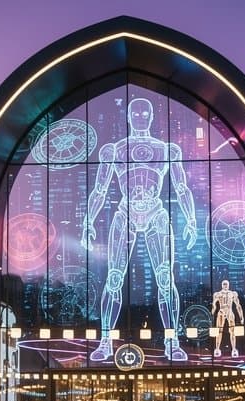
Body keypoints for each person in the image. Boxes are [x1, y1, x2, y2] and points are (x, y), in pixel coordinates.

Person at [83, 97, 197, 363]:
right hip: (126, 213)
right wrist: (88, 220)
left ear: (152, 117)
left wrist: (192, 220)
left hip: (156, 213)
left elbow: (182, 189)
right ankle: (105, 342)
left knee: (165, 280)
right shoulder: (114, 151)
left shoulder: (167, 150)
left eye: (146, 112)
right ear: (129, 117)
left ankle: (172, 341)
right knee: (113, 278)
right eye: (137, 112)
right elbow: (99, 191)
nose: (142, 116)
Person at [211, 279, 244, 358]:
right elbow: (213, 305)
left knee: (232, 331)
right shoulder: (217, 294)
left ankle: (234, 349)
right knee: (219, 331)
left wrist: (241, 317)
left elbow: (238, 306)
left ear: (228, 285)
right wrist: (211, 315)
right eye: (224, 284)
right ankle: (217, 349)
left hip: (229, 312)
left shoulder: (233, 294)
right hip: (221, 312)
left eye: (226, 284)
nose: (225, 285)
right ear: (222, 285)